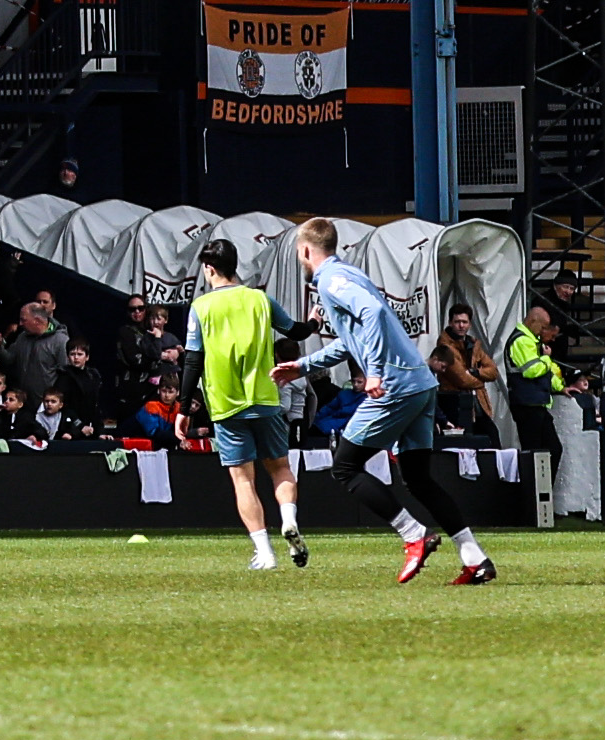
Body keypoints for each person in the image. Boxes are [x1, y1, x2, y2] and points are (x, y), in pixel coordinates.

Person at [290, 219, 492, 587]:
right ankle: (475, 559)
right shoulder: (349, 275)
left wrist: (375, 372)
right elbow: (353, 340)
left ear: (306, 250)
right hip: (420, 382)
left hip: (396, 384)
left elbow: (373, 314)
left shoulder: (331, 281)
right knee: (418, 478)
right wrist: (303, 365)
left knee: (345, 466)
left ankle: (414, 534)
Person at [188, 238, 301, 569]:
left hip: (226, 403)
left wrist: (182, 407)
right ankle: (288, 518)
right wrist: (314, 323)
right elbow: (296, 331)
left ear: (209, 268)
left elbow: (193, 360)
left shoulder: (202, 307)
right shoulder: (260, 300)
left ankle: (264, 553)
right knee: (280, 468)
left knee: (243, 480)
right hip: (265, 398)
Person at [509, 296, 602, 525]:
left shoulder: (532, 341)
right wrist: (545, 358)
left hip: (538, 404)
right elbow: (531, 370)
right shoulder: (521, 341)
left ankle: (541, 502)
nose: (544, 332)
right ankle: (531, 506)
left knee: (551, 450)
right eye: (543, 327)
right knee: (534, 455)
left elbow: (548, 373)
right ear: (534, 322)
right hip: (527, 405)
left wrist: (561, 388)